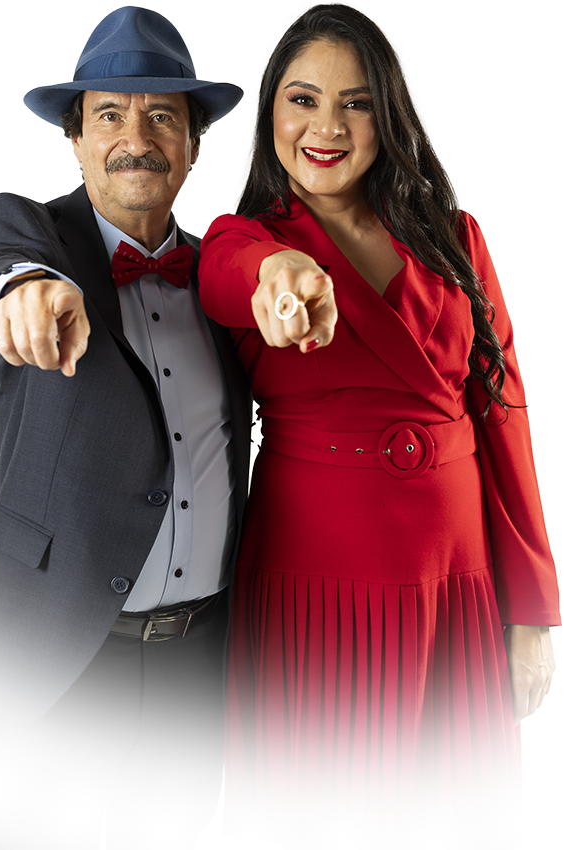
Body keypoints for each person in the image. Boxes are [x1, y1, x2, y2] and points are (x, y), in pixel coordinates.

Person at [197, 4, 561, 849]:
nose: (327, 127)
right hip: (309, 589)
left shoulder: (455, 238)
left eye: (355, 103)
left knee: (453, 818)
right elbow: (230, 276)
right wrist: (279, 276)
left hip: (455, 589)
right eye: (302, 99)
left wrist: (534, 613)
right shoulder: (242, 240)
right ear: (269, 114)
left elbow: (505, 416)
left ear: (386, 115)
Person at [0, 7, 251, 849]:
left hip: (194, 660)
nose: (137, 138)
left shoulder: (221, 279)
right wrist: (25, 290)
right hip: (56, 652)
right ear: (77, 141)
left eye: (162, 116)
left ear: (193, 146)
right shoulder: (32, 237)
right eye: (110, 116)